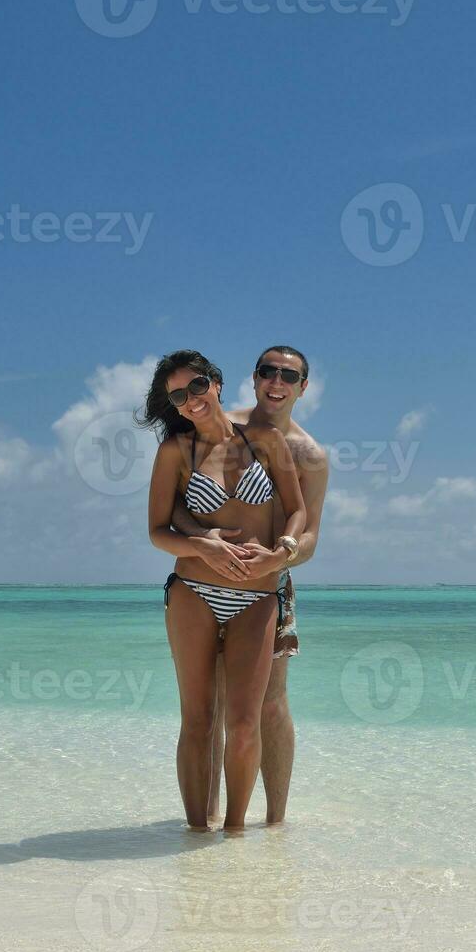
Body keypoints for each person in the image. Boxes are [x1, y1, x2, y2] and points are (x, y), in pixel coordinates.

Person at [143, 350, 306, 832]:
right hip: (193, 589)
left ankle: (234, 836)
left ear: (215, 383)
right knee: (197, 721)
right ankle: (196, 836)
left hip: (258, 598)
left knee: (244, 721)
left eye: (196, 387)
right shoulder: (176, 451)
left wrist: (284, 551)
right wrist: (202, 545)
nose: (190, 400)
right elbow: (156, 530)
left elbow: (297, 512)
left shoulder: (265, 441)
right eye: (177, 396)